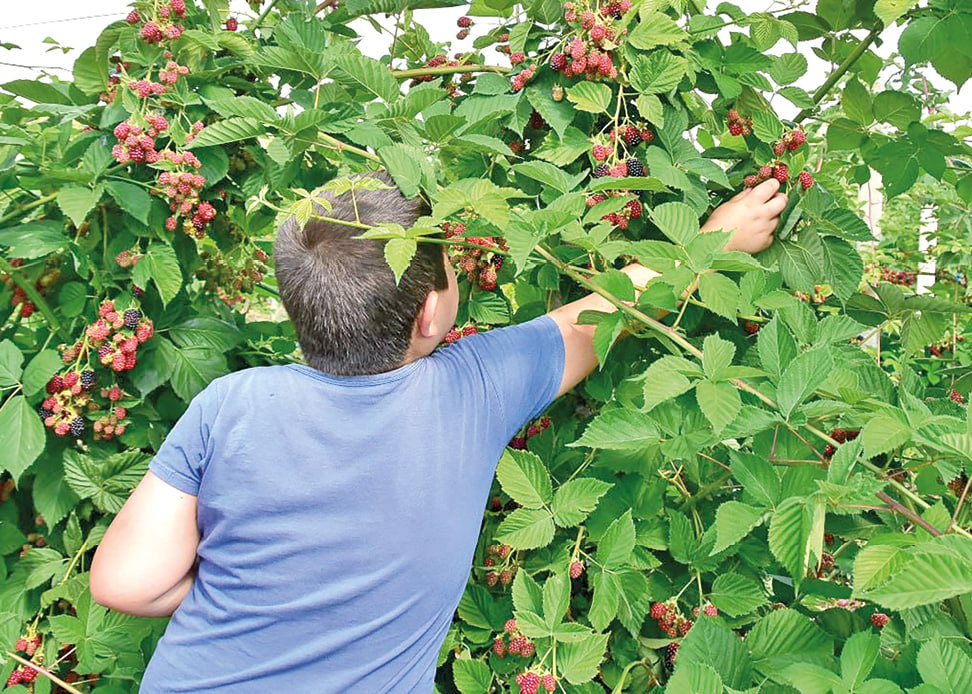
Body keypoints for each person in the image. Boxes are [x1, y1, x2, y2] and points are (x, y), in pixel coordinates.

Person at [90, 170, 787, 692]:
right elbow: (601, 314)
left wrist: (247, 588)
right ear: (430, 314)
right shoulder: (471, 388)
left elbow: (125, 584)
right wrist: (714, 239)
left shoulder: (228, 405)